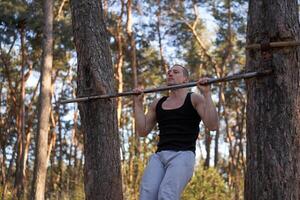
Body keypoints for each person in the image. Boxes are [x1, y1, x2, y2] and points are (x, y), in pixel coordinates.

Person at [133, 64, 219, 200]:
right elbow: (142, 131)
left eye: (175, 72)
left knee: (166, 195)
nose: (170, 73)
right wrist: (137, 103)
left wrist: (207, 93)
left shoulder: (194, 99)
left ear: (185, 79)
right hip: (159, 156)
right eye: (169, 72)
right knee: (147, 194)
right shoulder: (158, 103)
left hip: (183, 155)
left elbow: (213, 125)